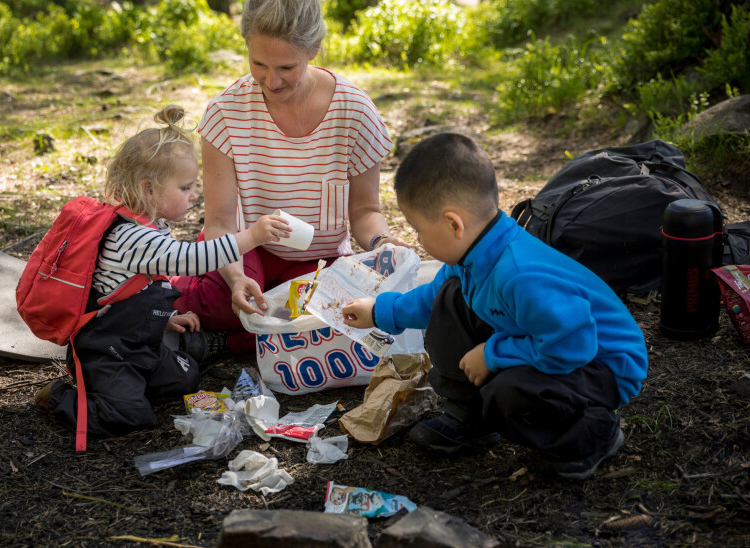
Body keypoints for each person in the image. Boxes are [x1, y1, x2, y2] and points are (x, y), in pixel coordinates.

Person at [342, 133, 648, 480]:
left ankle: (592, 434)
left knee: (511, 392)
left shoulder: (519, 274)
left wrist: (492, 353)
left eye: (419, 231)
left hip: (600, 364)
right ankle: (471, 415)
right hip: (551, 341)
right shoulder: (474, 254)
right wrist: (379, 311)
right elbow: (431, 300)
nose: (419, 241)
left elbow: (574, 345)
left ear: (453, 224)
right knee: (451, 298)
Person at [35, 105, 290, 438]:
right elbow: (191, 259)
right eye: (185, 188)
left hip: (140, 343)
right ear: (149, 189)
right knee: (128, 417)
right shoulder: (131, 236)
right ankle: (60, 396)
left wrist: (164, 317)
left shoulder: (152, 226)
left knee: (185, 377)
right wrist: (251, 236)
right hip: (108, 352)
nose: (194, 195)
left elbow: (136, 291)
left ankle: (129, 389)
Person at [171, 0, 407, 353]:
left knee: (332, 318)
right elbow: (219, 223)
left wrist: (380, 243)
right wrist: (236, 278)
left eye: (286, 66)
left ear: (313, 50)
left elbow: (364, 211)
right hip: (244, 246)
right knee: (232, 303)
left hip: (316, 262)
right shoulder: (225, 113)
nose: (271, 80)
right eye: (258, 64)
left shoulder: (354, 111)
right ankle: (182, 289)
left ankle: (235, 339)